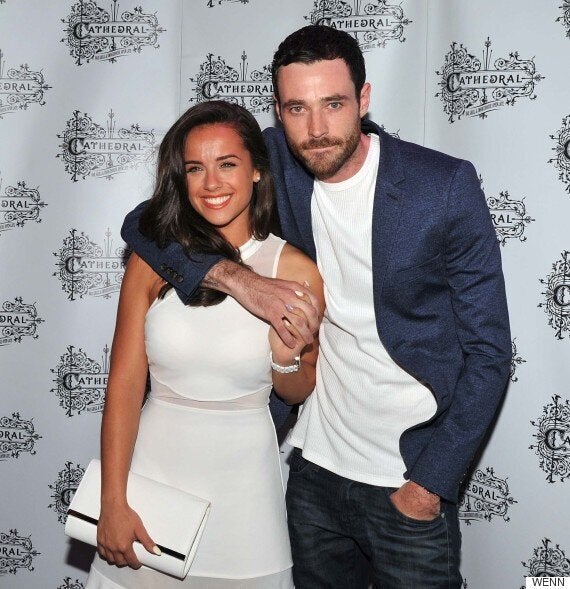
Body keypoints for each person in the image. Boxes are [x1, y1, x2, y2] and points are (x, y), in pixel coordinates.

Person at [122, 25, 511, 589]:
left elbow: (490, 352)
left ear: (364, 99)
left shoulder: (442, 186)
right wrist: (240, 281)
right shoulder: (275, 161)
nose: (317, 129)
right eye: (296, 109)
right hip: (313, 471)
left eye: (333, 104)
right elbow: (145, 223)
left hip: (407, 477)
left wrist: (430, 483)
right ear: (278, 112)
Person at [85, 100, 324, 589]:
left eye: (227, 164)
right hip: (150, 482)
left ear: (257, 169)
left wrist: (286, 360)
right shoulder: (154, 258)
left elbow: (299, 390)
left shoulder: (294, 270)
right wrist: (113, 500)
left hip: (246, 498)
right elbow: (125, 384)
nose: (211, 183)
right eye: (195, 168)